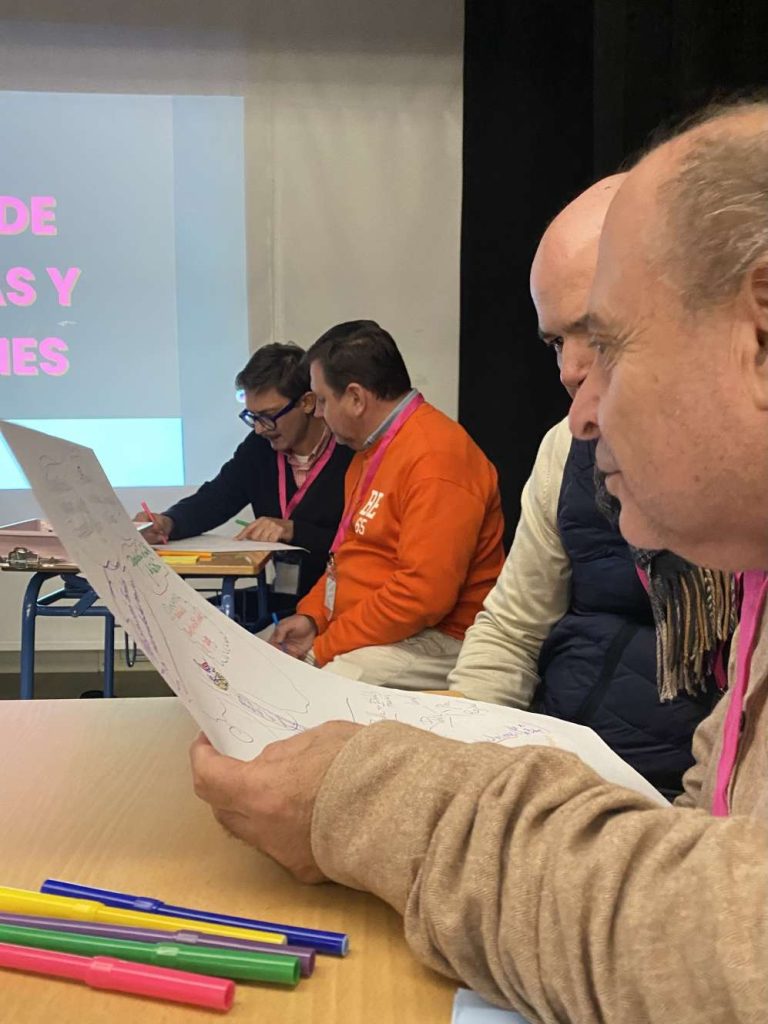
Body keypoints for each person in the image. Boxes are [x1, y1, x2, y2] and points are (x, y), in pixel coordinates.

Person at [191, 102, 768, 1022]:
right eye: (561, 350)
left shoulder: (440, 456)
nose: (579, 398)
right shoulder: (524, 464)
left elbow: (728, 936)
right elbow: (713, 823)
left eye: (607, 342)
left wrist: (370, 794)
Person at [448, 176, 731, 796]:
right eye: (556, 342)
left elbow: (724, 804)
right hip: (555, 762)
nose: (570, 373)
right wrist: (461, 746)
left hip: (654, 804)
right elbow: (512, 630)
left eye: (601, 333)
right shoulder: (565, 447)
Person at [272, 320, 505, 688]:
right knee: (263, 657)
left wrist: (324, 647)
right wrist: (313, 618)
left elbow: (422, 597)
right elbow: (347, 556)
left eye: (322, 400)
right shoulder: (370, 451)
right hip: (380, 632)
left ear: (356, 398)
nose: (317, 413)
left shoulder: (435, 458)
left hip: (442, 636)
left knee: (325, 687)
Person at [136, 343, 353, 609]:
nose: (260, 429)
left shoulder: (349, 451)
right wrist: (168, 522)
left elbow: (362, 542)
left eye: (269, 416)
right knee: (196, 618)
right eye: (253, 417)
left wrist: (294, 531)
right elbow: (217, 497)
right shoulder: (259, 448)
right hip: (287, 593)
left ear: (307, 402)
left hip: (343, 598)